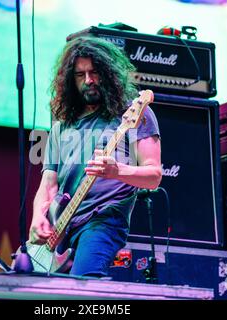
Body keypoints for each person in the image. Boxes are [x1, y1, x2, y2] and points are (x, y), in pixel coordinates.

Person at [29, 36, 162, 277]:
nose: (89, 80)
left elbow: (154, 175)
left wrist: (117, 171)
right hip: (61, 226)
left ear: (108, 73)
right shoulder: (62, 123)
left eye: (94, 72)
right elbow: (48, 183)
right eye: (80, 75)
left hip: (103, 219)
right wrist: (38, 216)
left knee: (83, 287)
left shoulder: (134, 112)